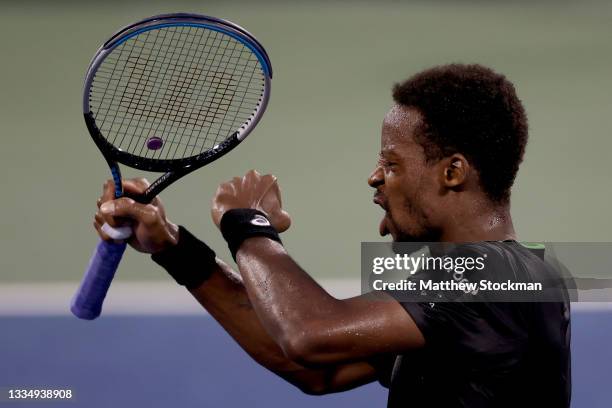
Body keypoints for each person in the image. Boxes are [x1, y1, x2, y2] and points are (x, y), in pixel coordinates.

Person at [94, 64, 571, 407]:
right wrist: (172, 247)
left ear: (452, 172)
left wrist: (247, 223)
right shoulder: (509, 277)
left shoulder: (499, 277)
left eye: (391, 163)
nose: (375, 177)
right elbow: (318, 370)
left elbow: (310, 336)